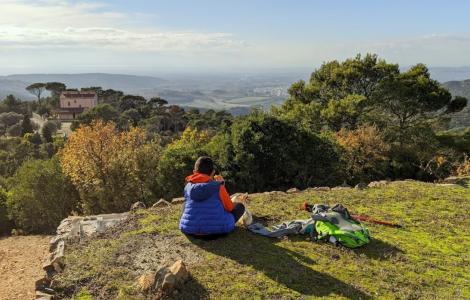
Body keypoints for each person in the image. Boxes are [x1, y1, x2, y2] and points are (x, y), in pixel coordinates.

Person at [179, 156, 245, 238]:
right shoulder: (218, 186)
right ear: (213, 172)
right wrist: (222, 186)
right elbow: (229, 208)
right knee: (239, 206)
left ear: (194, 172)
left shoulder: (187, 186)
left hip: (190, 230)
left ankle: (192, 225)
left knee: (185, 204)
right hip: (218, 230)